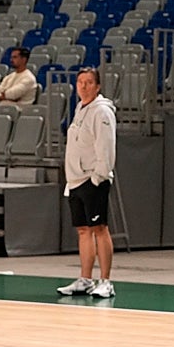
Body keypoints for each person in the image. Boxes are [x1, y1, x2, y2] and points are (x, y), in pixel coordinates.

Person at [56, 66, 118, 299]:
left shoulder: (101, 112)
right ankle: (85, 279)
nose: (83, 86)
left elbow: (105, 146)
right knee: (83, 230)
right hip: (75, 180)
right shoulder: (80, 109)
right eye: (80, 82)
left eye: (89, 82)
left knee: (99, 228)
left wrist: (98, 177)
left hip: (93, 179)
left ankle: (106, 281)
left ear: (98, 86)